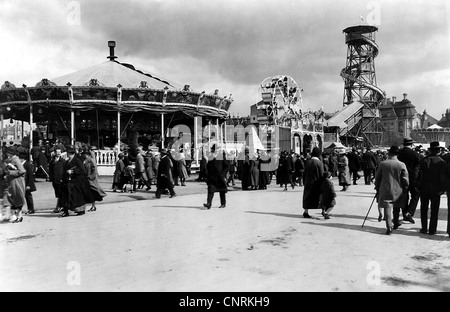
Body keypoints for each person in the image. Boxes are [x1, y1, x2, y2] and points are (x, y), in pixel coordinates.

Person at [374, 145, 409, 235]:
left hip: (385, 189)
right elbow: (405, 178)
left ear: (389, 153)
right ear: (397, 154)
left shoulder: (383, 164)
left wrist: (377, 187)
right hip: (398, 189)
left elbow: (377, 177)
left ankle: (389, 226)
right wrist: (406, 187)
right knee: (396, 206)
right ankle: (396, 222)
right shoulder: (401, 164)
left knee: (387, 207)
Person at [417, 142, 447, 235]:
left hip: (424, 188)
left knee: (424, 209)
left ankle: (424, 228)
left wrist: (418, 186)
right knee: (434, 210)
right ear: (438, 151)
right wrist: (442, 189)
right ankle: (432, 229)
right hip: (436, 189)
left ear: (430, 150)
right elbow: (443, 177)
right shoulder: (441, 162)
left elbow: (419, 175)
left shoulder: (424, 160)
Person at [59, 147, 94, 217]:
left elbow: (83, 170)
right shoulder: (67, 161)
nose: (68, 154)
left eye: (69, 153)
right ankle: (66, 210)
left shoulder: (77, 160)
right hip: (68, 181)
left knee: (77, 197)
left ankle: (80, 210)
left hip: (76, 182)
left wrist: (73, 171)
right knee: (66, 196)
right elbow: (64, 170)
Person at [397, 137, 422, 224]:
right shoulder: (416, 154)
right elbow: (419, 168)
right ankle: (409, 212)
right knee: (415, 195)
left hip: (400, 178)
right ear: (411, 144)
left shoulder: (398, 154)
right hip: (412, 179)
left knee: (404, 196)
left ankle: (404, 213)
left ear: (403, 144)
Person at [5, 147, 26, 223]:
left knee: (18, 198)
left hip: (17, 182)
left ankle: (19, 216)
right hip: (13, 182)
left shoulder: (16, 160)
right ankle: (18, 216)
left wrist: (10, 173)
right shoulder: (10, 160)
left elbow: (22, 171)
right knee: (14, 198)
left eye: (8, 153)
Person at [203, 145, 229, 209]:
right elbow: (208, 167)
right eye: (214, 150)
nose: (215, 151)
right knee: (210, 189)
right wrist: (207, 176)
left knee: (222, 191)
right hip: (212, 177)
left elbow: (227, 166)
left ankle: (223, 203)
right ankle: (209, 203)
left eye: (217, 150)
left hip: (220, 177)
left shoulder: (221, 157)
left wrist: (223, 174)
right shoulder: (210, 157)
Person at [302, 147, 324, 218]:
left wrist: (304, 181)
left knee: (307, 197)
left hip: (308, 182)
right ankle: (323, 211)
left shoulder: (308, 162)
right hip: (317, 183)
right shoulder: (319, 163)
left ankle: (306, 211)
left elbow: (304, 173)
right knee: (320, 197)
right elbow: (322, 174)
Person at [49, 146, 67, 213]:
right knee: (57, 193)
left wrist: (64, 178)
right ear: (55, 153)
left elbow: (65, 170)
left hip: (61, 180)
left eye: (60, 152)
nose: (58, 153)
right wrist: (51, 178)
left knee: (60, 193)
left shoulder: (63, 161)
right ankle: (61, 206)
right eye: (57, 152)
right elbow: (50, 170)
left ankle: (58, 207)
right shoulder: (52, 161)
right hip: (54, 180)